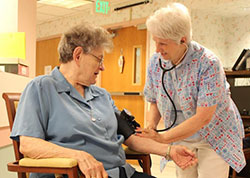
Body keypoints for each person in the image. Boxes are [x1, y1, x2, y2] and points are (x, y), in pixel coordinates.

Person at [10, 22, 197, 178]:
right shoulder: (41, 88)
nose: (103, 67)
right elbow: (28, 145)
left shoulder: (101, 95)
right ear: (77, 55)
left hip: (121, 173)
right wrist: (77, 156)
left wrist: (169, 151)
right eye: (99, 60)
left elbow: (131, 138)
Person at [135, 2, 246, 178]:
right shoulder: (156, 62)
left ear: (182, 40)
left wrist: (163, 139)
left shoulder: (208, 63)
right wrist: (151, 127)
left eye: (163, 43)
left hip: (214, 136)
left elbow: (204, 117)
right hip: (182, 137)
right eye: (155, 41)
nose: (157, 49)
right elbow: (154, 101)